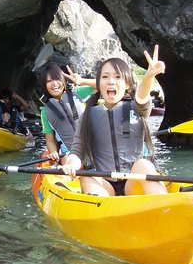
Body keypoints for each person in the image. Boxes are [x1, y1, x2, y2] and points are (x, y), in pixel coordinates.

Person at [61, 45, 176, 197]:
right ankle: (101, 213)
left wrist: (149, 76)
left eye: (117, 77)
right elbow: (77, 150)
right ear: (98, 84)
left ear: (127, 84)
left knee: (143, 164)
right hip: (105, 183)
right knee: (87, 177)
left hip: (133, 182)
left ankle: (164, 206)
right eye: (105, 77)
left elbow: (142, 97)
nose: (110, 82)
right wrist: (72, 163)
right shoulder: (88, 115)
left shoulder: (137, 108)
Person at [40, 64, 96, 163]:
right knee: (70, 162)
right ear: (44, 85)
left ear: (63, 80)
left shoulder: (77, 92)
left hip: (92, 145)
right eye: (49, 81)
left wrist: (81, 81)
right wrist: (53, 152)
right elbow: (50, 140)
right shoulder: (45, 110)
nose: (54, 84)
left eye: (57, 79)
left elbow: (103, 86)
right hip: (69, 152)